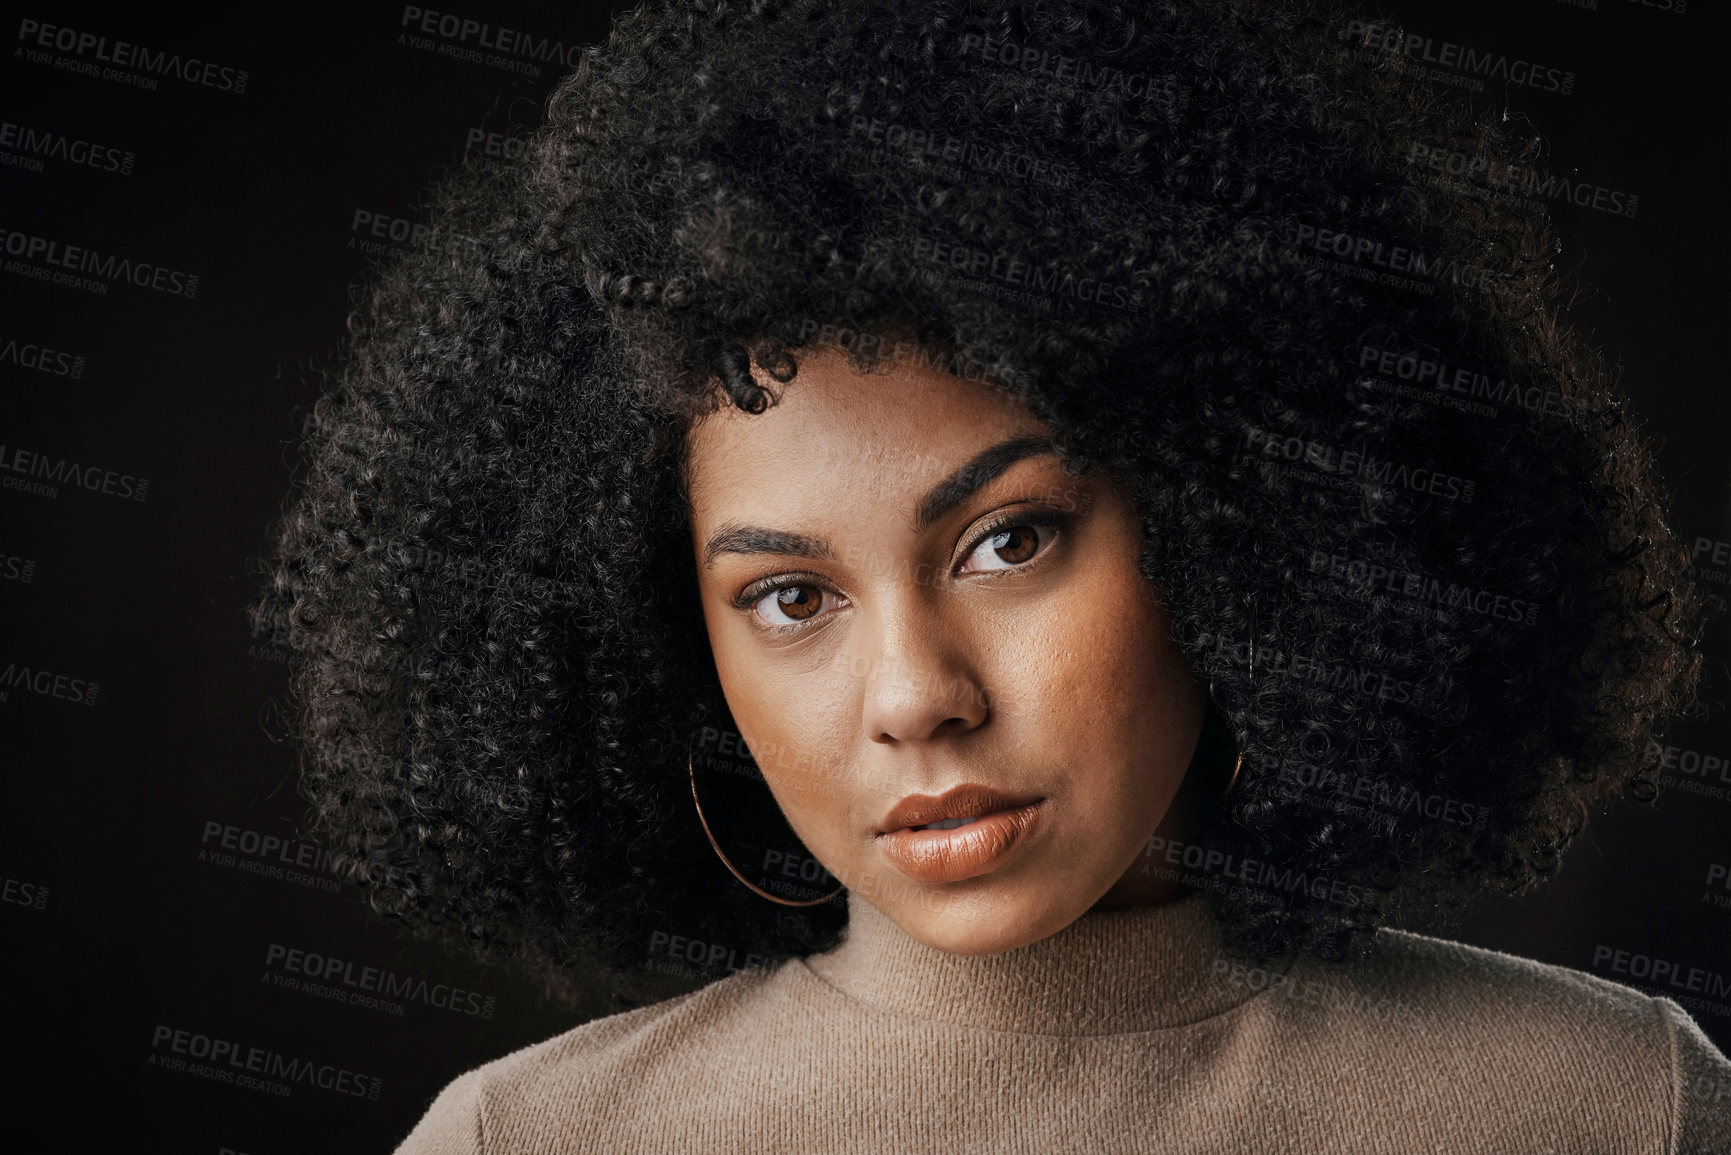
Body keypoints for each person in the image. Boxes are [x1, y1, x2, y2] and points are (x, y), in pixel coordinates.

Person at [255, 0, 1731, 1149]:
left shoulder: (1614, 1111)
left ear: (1250, 519)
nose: (915, 698)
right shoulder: (530, 1145)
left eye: (1008, 540)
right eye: (790, 597)